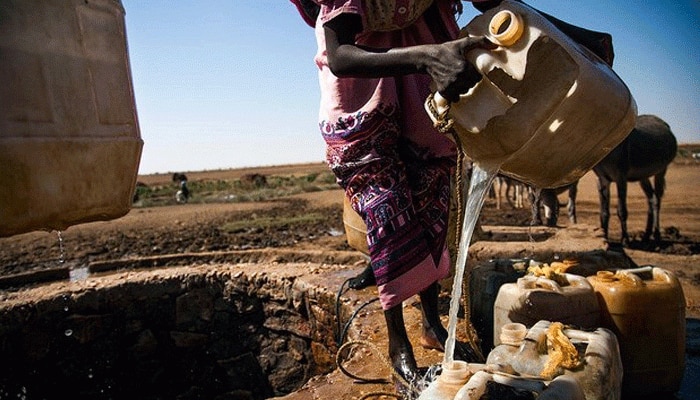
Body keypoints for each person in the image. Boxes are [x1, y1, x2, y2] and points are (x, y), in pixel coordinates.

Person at [291, 0, 499, 383]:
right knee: (390, 218)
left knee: (428, 213)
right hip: (364, 105)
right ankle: (397, 343)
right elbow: (341, 56)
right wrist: (426, 56)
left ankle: (432, 325)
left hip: (425, 100)